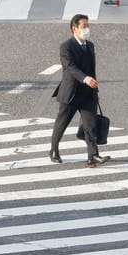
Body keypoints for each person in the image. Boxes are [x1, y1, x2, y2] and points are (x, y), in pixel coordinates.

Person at [50, 14, 111, 168]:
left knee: (90, 125)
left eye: (87, 26)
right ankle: (53, 150)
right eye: (83, 26)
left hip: (87, 94)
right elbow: (70, 67)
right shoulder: (66, 46)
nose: (87, 29)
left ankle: (92, 156)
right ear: (74, 29)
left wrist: (95, 92)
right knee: (61, 124)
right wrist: (85, 79)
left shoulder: (90, 45)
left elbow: (92, 70)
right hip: (70, 93)